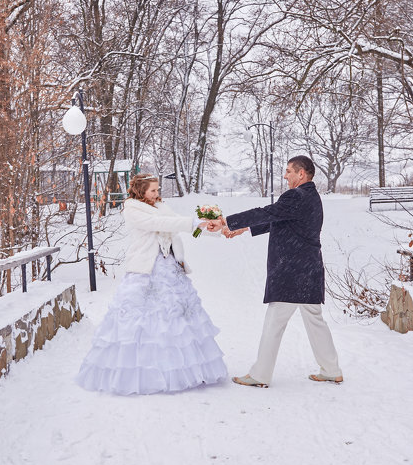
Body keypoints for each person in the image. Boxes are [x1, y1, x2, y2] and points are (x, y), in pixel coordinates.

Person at [76, 173, 228, 395]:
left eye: (158, 190)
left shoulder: (161, 206)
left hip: (169, 267)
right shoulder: (132, 208)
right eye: (153, 191)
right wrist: (194, 222)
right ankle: (142, 373)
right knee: (140, 321)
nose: (157, 194)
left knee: (176, 318)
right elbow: (159, 223)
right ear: (140, 191)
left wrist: (211, 228)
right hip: (145, 270)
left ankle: (179, 369)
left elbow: (174, 225)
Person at [207, 155, 342, 387]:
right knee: (315, 320)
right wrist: (245, 229)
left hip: (292, 272)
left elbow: (268, 212)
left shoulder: (296, 195)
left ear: (301, 174)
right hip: (309, 270)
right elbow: (281, 219)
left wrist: (228, 222)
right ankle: (331, 369)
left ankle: (260, 374)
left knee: (274, 323)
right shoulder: (311, 197)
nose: (285, 175)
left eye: (289, 171)